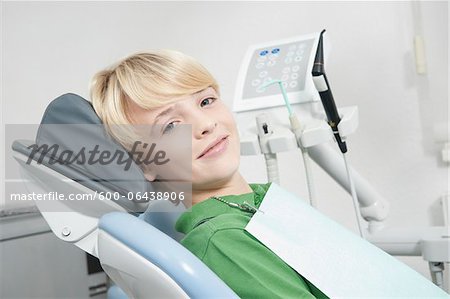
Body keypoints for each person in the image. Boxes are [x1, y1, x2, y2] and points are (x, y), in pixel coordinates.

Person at [90, 49, 327, 299]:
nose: (205, 124)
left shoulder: (259, 200)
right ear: (146, 164)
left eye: (206, 101)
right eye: (170, 126)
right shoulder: (223, 240)